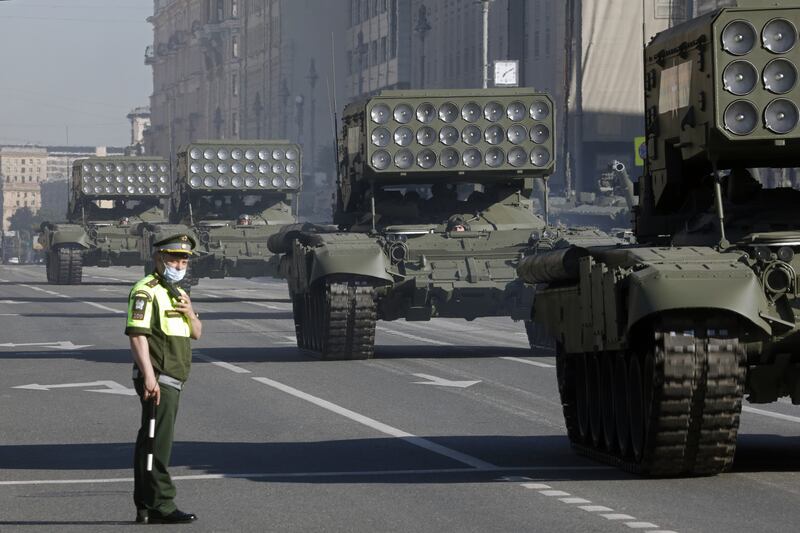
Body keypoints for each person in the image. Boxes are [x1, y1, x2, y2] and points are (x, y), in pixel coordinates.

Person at [125, 233, 202, 524]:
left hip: (172, 377)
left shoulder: (177, 292)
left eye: (183, 260)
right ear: (158, 259)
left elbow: (196, 332)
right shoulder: (146, 290)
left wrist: (190, 313)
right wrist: (148, 377)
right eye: (173, 259)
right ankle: (162, 505)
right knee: (159, 443)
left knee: (150, 439)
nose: (179, 264)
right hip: (160, 376)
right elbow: (137, 335)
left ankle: (145, 504)